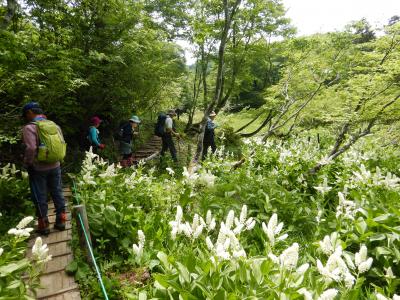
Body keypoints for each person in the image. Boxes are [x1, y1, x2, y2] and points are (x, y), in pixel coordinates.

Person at [22, 102, 67, 235]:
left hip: (38, 168)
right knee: (57, 191)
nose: (26, 117)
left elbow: (31, 148)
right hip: (56, 165)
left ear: (30, 112)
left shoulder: (29, 127)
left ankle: (44, 225)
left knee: (40, 195)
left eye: (26, 114)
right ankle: (62, 220)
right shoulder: (55, 125)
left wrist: (28, 162)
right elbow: (62, 143)